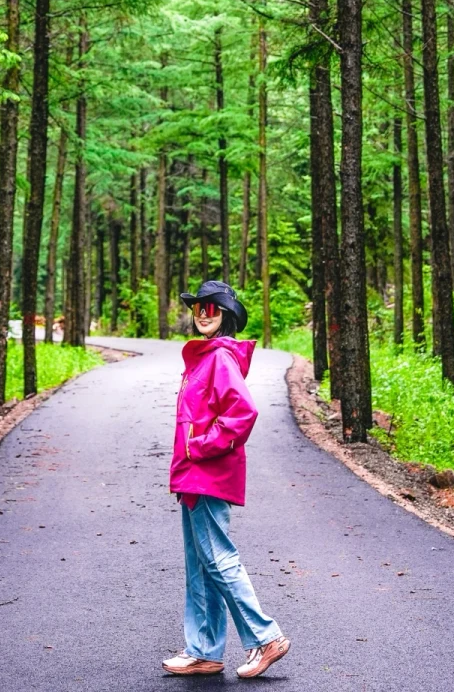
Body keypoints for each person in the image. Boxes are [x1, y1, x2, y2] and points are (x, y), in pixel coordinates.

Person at [162, 279, 291, 680]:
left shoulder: (219, 359)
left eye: (211, 308)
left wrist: (196, 448)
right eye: (199, 308)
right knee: (201, 564)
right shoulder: (204, 359)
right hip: (193, 475)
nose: (203, 314)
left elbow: (242, 413)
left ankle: (265, 637)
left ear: (226, 315)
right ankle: (204, 651)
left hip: (206, 472)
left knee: (217, 558)